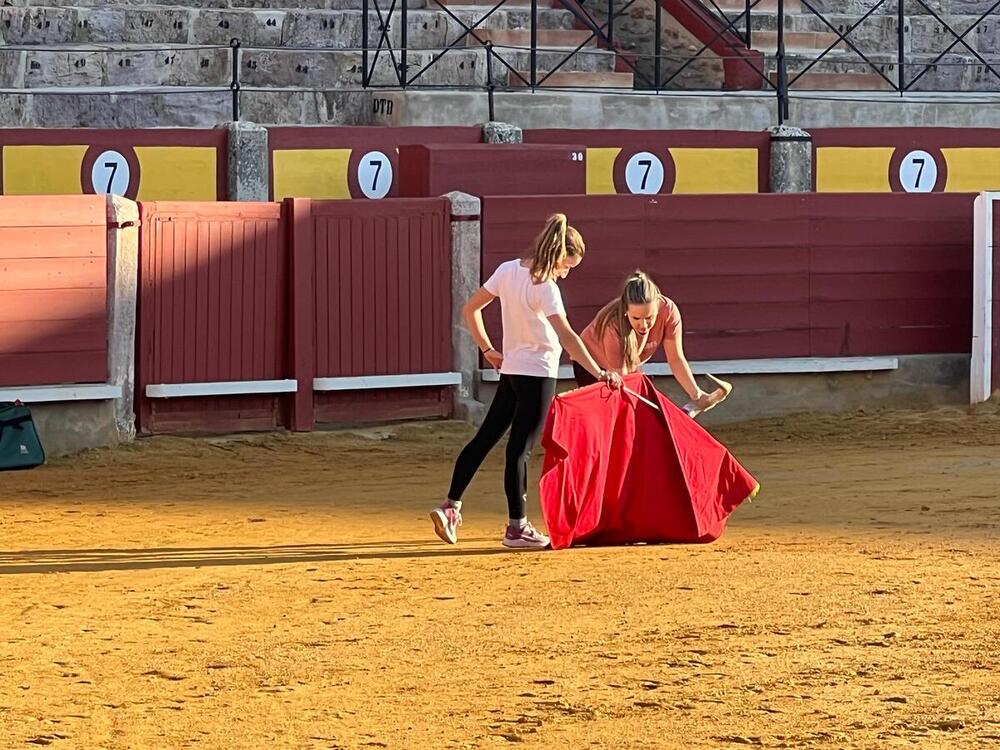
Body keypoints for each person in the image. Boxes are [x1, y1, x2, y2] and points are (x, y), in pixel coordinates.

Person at [431, 214, 622, 549]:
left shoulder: (508, 270)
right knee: (519, 450)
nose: (568, 272)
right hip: (537, 373)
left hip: (512, 371)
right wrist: (599, 371)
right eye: (569, 265)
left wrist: (489, 350)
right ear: (559, 256)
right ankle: (517, 527)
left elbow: (470, 309)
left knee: (486, 438)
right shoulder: (546, 288)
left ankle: (451, 506)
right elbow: (568, 337)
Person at [576, 270, 720, 414]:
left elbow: (675, 358)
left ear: (658, 306)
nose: (644, 325)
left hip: (630, 366)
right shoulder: (613, 326)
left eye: (649, 317)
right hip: (593, 367)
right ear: (626, 311)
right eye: (636, 318)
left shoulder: (668, 311)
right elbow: (621, 380)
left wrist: (696, 395)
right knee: (612, 415)